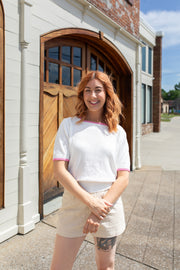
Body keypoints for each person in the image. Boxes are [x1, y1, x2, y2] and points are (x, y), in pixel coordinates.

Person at [50, 71, 130, 270]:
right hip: (76, 200)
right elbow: (60, 170)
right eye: (87, 91)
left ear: (107, 94)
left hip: (107, 205)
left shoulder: (118, 132)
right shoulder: (68, 126)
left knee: (106, 266)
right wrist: (90, 202)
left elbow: (123, 177)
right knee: (59, 266)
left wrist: (99, 209)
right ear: (81, 94)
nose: (92, 96)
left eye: (98, 90)